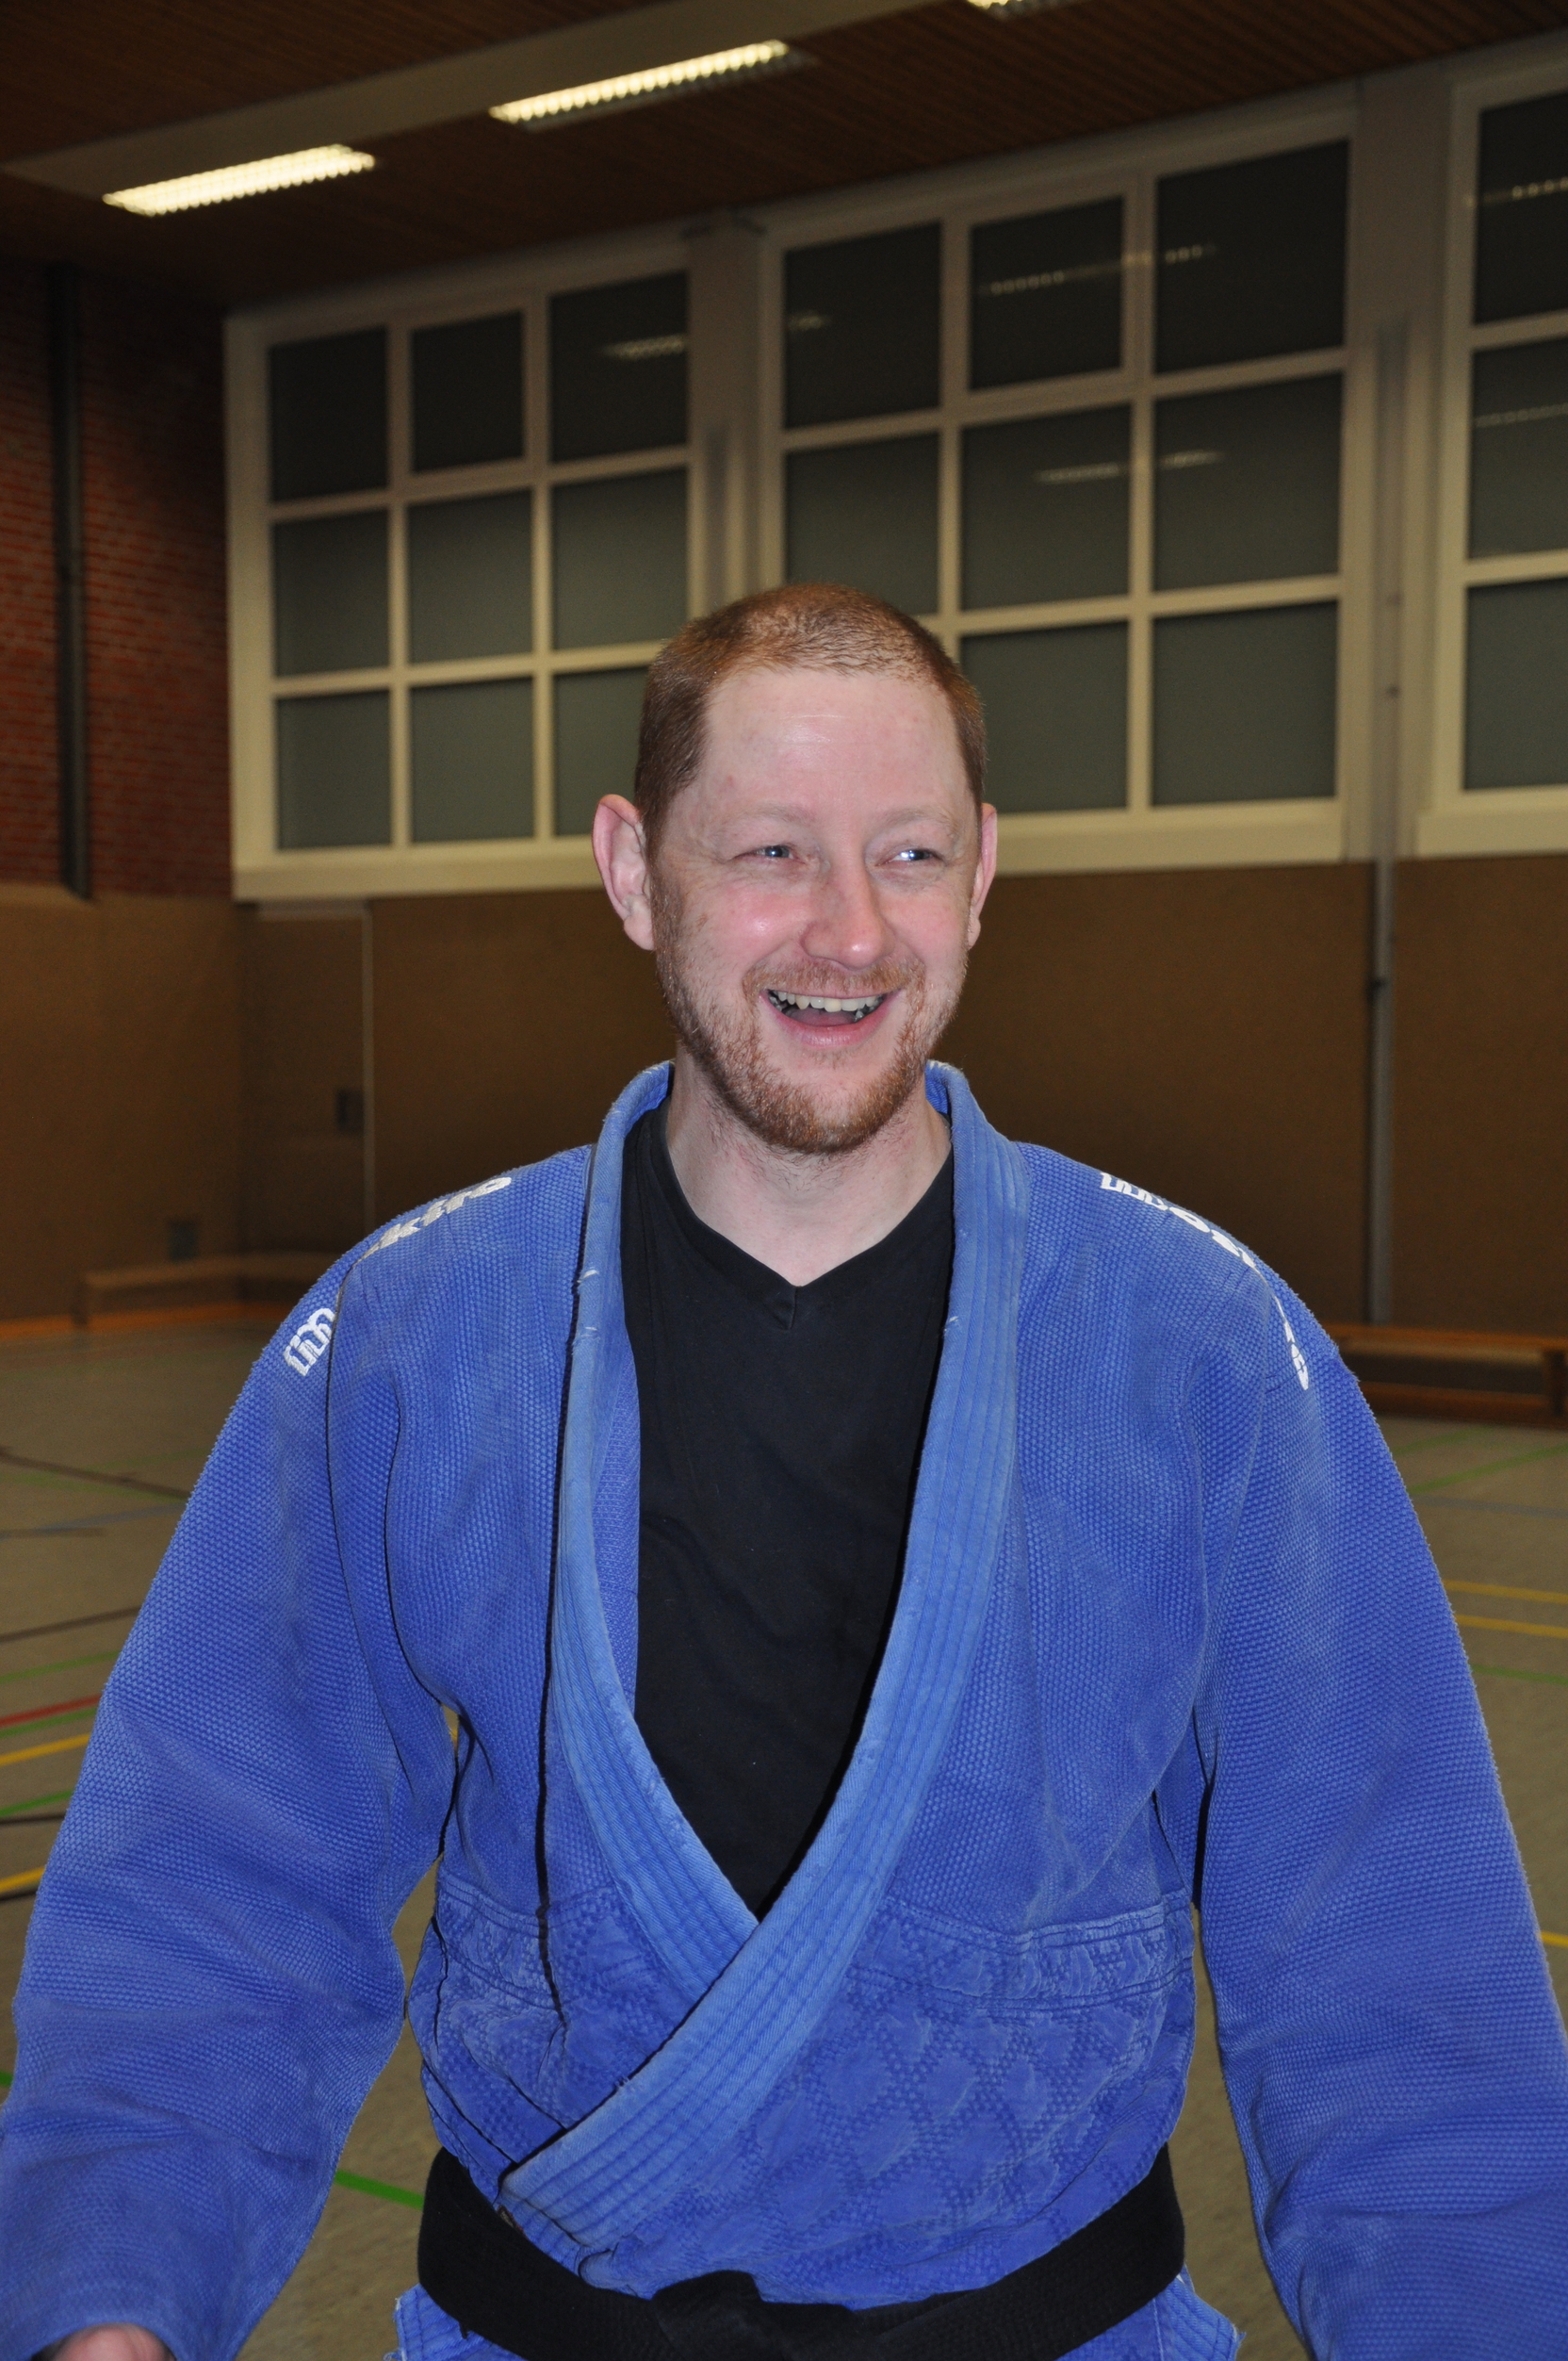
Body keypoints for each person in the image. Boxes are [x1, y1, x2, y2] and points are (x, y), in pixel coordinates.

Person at [3, 584, 1565, 2361]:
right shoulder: (417, 1336)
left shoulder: (1202, 1348)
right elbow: (217, 1872)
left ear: (983, 872)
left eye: (906, 851)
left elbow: (1393, 1962)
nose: (848, 929)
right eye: (769, 848)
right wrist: (109, 2299)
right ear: (632, 868)